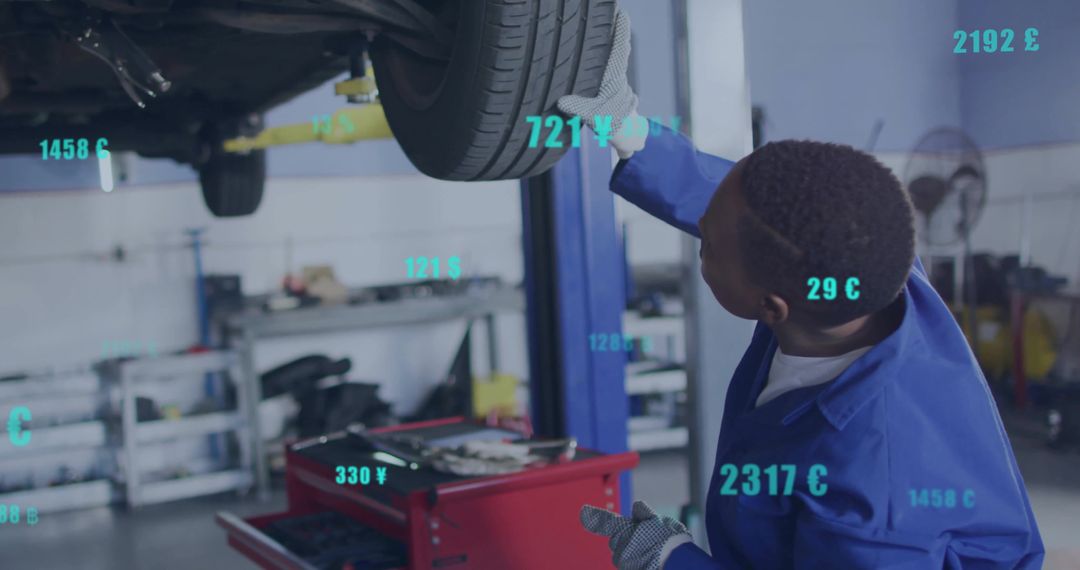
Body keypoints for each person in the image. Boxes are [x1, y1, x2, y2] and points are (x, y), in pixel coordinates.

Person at [561, 9, 1044, 569]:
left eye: (707, 244)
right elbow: (744, 208)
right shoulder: (860, 268)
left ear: (771, 306)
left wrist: (671, 559)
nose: (700, 238)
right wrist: (628, 129)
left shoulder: (871, 491)